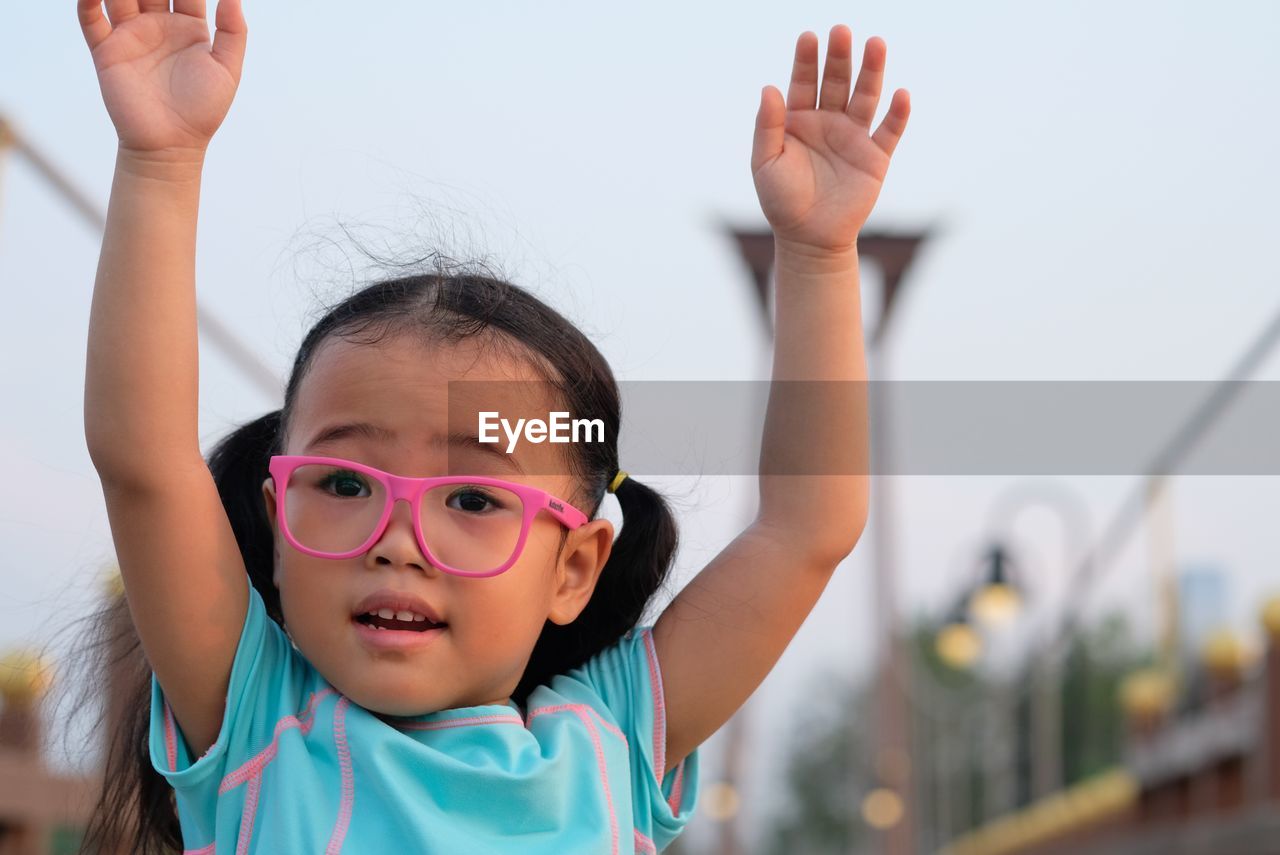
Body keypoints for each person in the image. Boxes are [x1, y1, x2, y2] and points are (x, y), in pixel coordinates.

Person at [75, 0, 910, 851]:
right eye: (344, 482)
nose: (396, 541)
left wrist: (816, 257)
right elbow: (145, 462)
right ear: (278, 524)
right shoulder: (258, 724)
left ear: (574, 567)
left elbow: (808, 526)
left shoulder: (610, 738)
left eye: (471, 499)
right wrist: (160, 162)